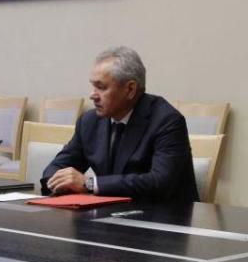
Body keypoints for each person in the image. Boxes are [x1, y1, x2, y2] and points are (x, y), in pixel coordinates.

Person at [42, 47, 198, 202]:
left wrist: (89, 184)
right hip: (108, 216)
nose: (92, 95)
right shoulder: (89, 122)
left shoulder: (166, 121)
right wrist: (60, 181)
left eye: (101, 87)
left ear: (130, 89)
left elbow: (160, 182)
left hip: (161, 219)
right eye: (93, 86)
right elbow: (55, 168)